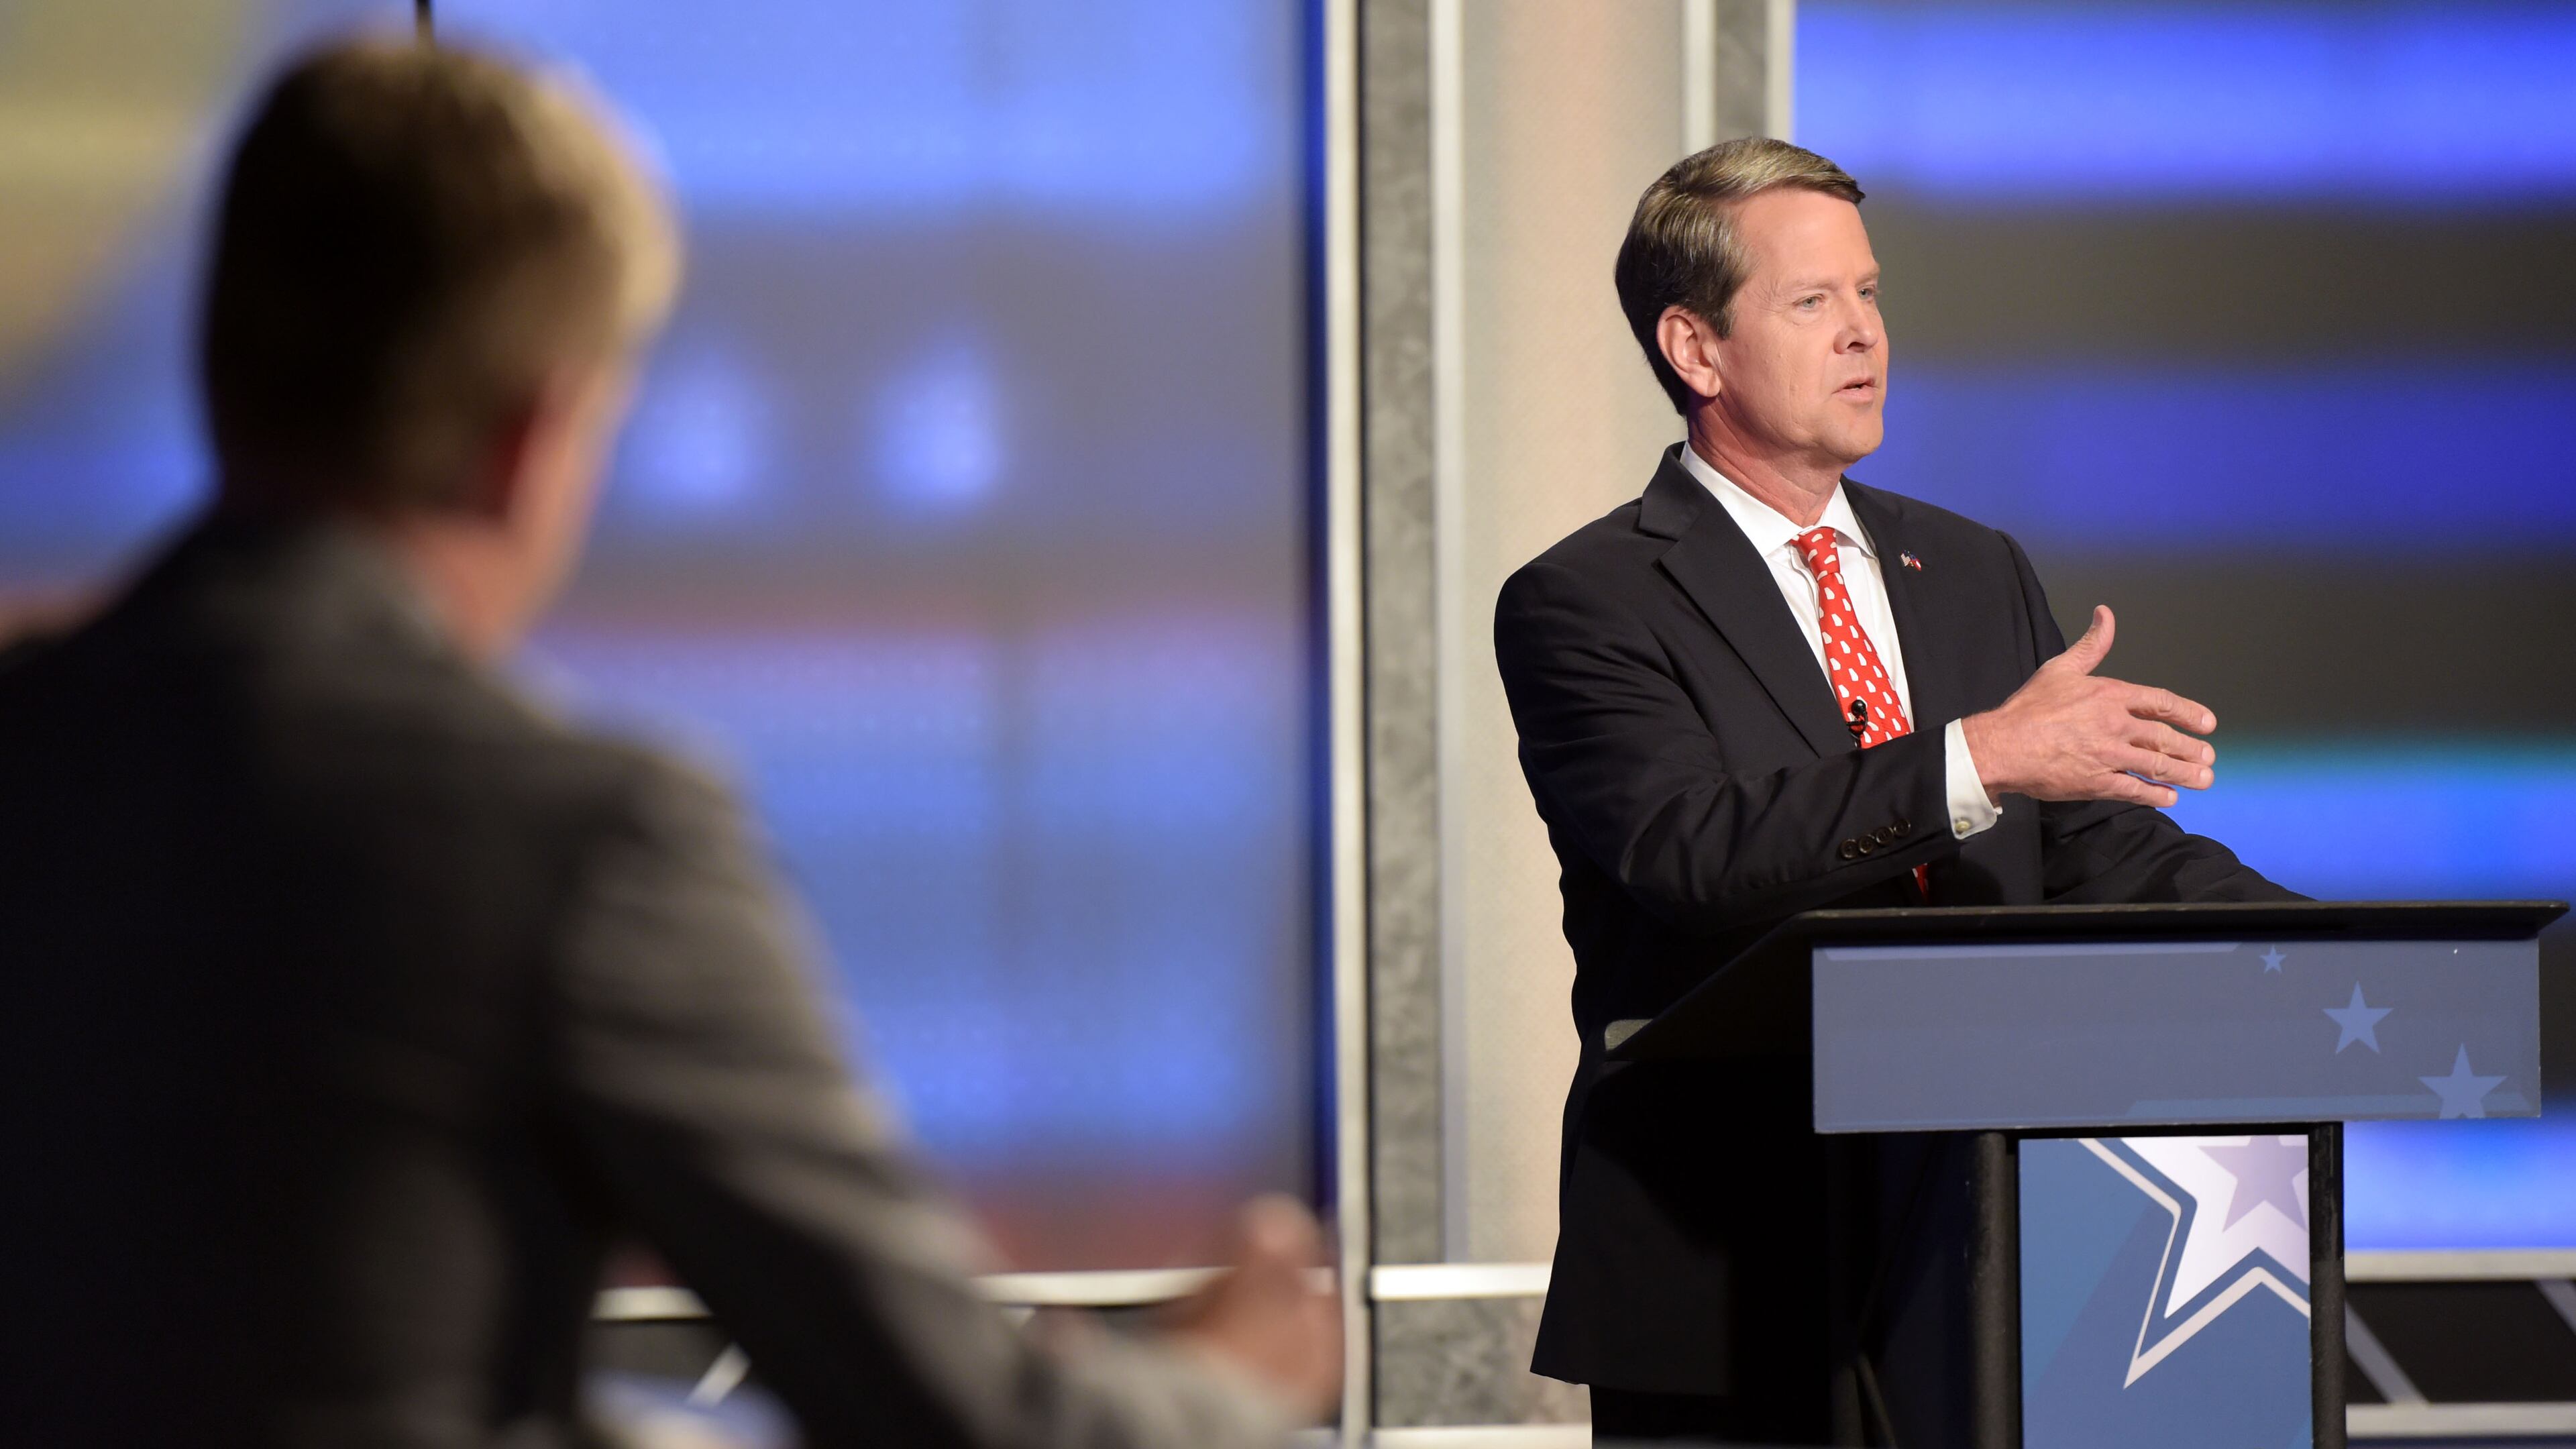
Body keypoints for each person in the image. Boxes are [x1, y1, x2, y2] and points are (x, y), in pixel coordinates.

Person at [0, 38, 1336, 1448]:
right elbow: (964, 1422)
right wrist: (1238, 1383)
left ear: (224, 368)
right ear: (538, 436)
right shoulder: (576, 831)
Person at [1492, 138, 2299, 1443]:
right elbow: (1688, 850)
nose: (1865, 335)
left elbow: (2085, 848)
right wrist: (1979, 758)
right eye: (1814, 304)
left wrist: (2302, 944)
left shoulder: (1974, 569)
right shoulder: (1587, 600)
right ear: (1695, 352)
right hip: (1733, 1268)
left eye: (1869, 295)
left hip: (2000, 1247)